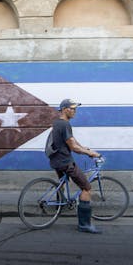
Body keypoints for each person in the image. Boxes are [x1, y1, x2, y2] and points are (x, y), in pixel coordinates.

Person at [49, 98, 102, 234]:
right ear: (65, 109)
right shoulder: (65, 124)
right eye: (73, 109)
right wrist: (90, 152)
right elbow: (72, 147)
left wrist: (83, 147)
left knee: (63, 182)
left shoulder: (59, 123)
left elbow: (71, 139)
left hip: (57, 161)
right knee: (86, 188)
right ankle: (84, 225)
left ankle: (61, 204)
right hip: (65, 162)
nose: (75, 111)